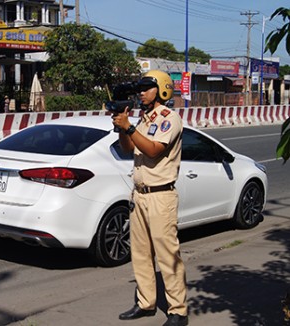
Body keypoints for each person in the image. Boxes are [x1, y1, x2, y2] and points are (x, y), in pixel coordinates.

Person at [112, 70, 188, 326]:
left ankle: (178, 310)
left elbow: (154, 151)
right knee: (141, 253)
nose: (141, 92)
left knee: (168, 255)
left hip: (161, 196)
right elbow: (128, 148)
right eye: (140, 88)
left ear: (162, 90)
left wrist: (130, 127)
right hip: (140, 195)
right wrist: (122, 127)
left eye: (147, 88)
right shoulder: (143, 119)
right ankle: (146, 303)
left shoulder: (170, 118)